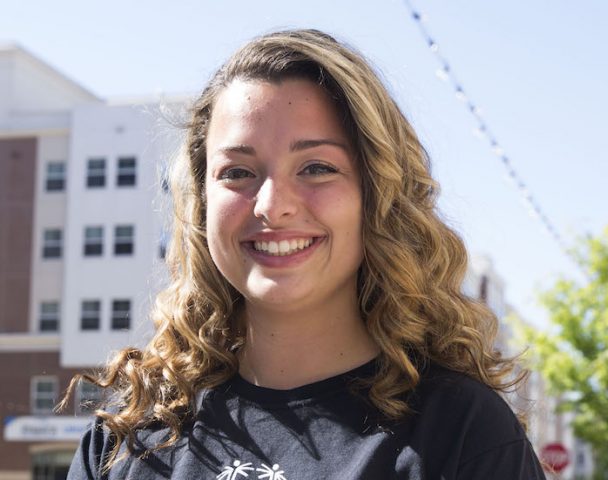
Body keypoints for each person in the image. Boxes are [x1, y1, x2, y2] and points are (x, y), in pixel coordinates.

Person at [66, 29, 545, 479]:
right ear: (202, 201)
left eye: (316, 167)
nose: (273, 205)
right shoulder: (126, 439)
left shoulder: (463, 434)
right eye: (237, 173)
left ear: (376, 194)